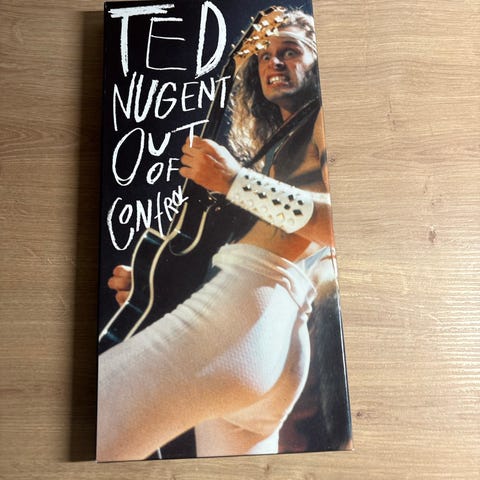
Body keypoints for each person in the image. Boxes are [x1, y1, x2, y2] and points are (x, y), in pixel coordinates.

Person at [97, 8, 338, 461]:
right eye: (264, 56)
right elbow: (243, 244)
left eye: (290, 51)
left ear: (320, 62)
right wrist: (155, 283)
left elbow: (340, 224)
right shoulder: (281, 142)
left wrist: (234, 181)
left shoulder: (326, 117)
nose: (273, 62)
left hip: (246, 313)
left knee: (88, 420)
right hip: (268, 329)